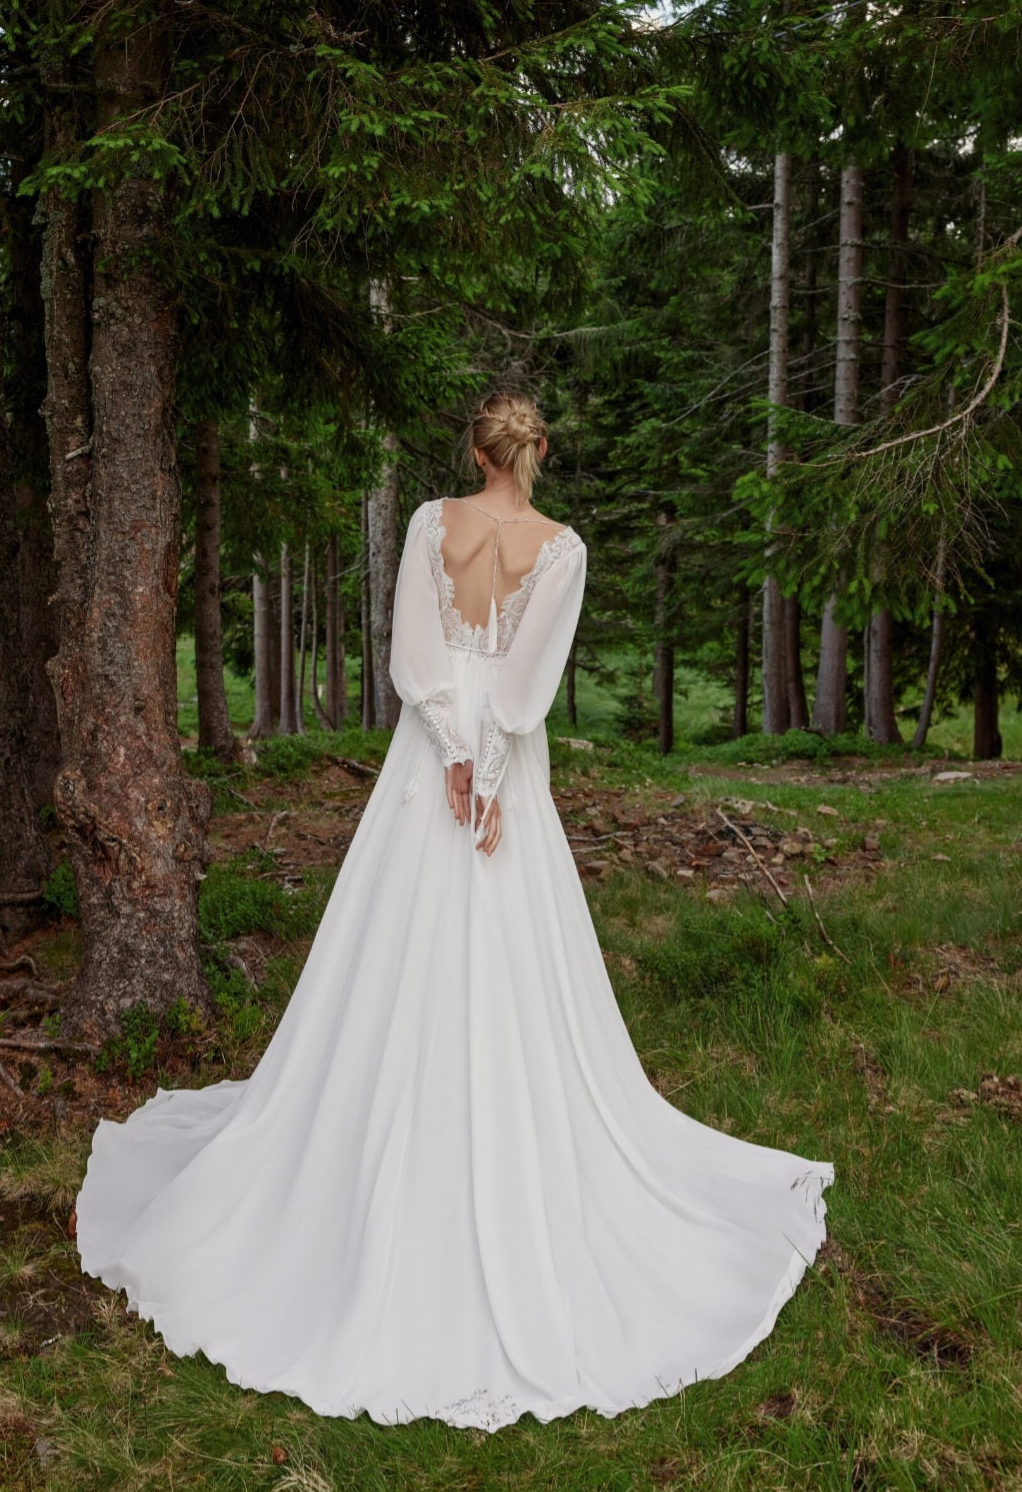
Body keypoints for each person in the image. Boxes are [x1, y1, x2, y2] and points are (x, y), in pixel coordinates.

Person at [75, 391, 834, 1432]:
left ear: (474, 453)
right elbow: (528, 685)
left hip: (426, 759)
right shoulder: (561, 549)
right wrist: (490, 770)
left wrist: (446, 751)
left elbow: (413, 654)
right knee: (506, 956)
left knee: (394, 952)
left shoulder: (433, 522)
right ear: (536, 453)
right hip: (503, 761)